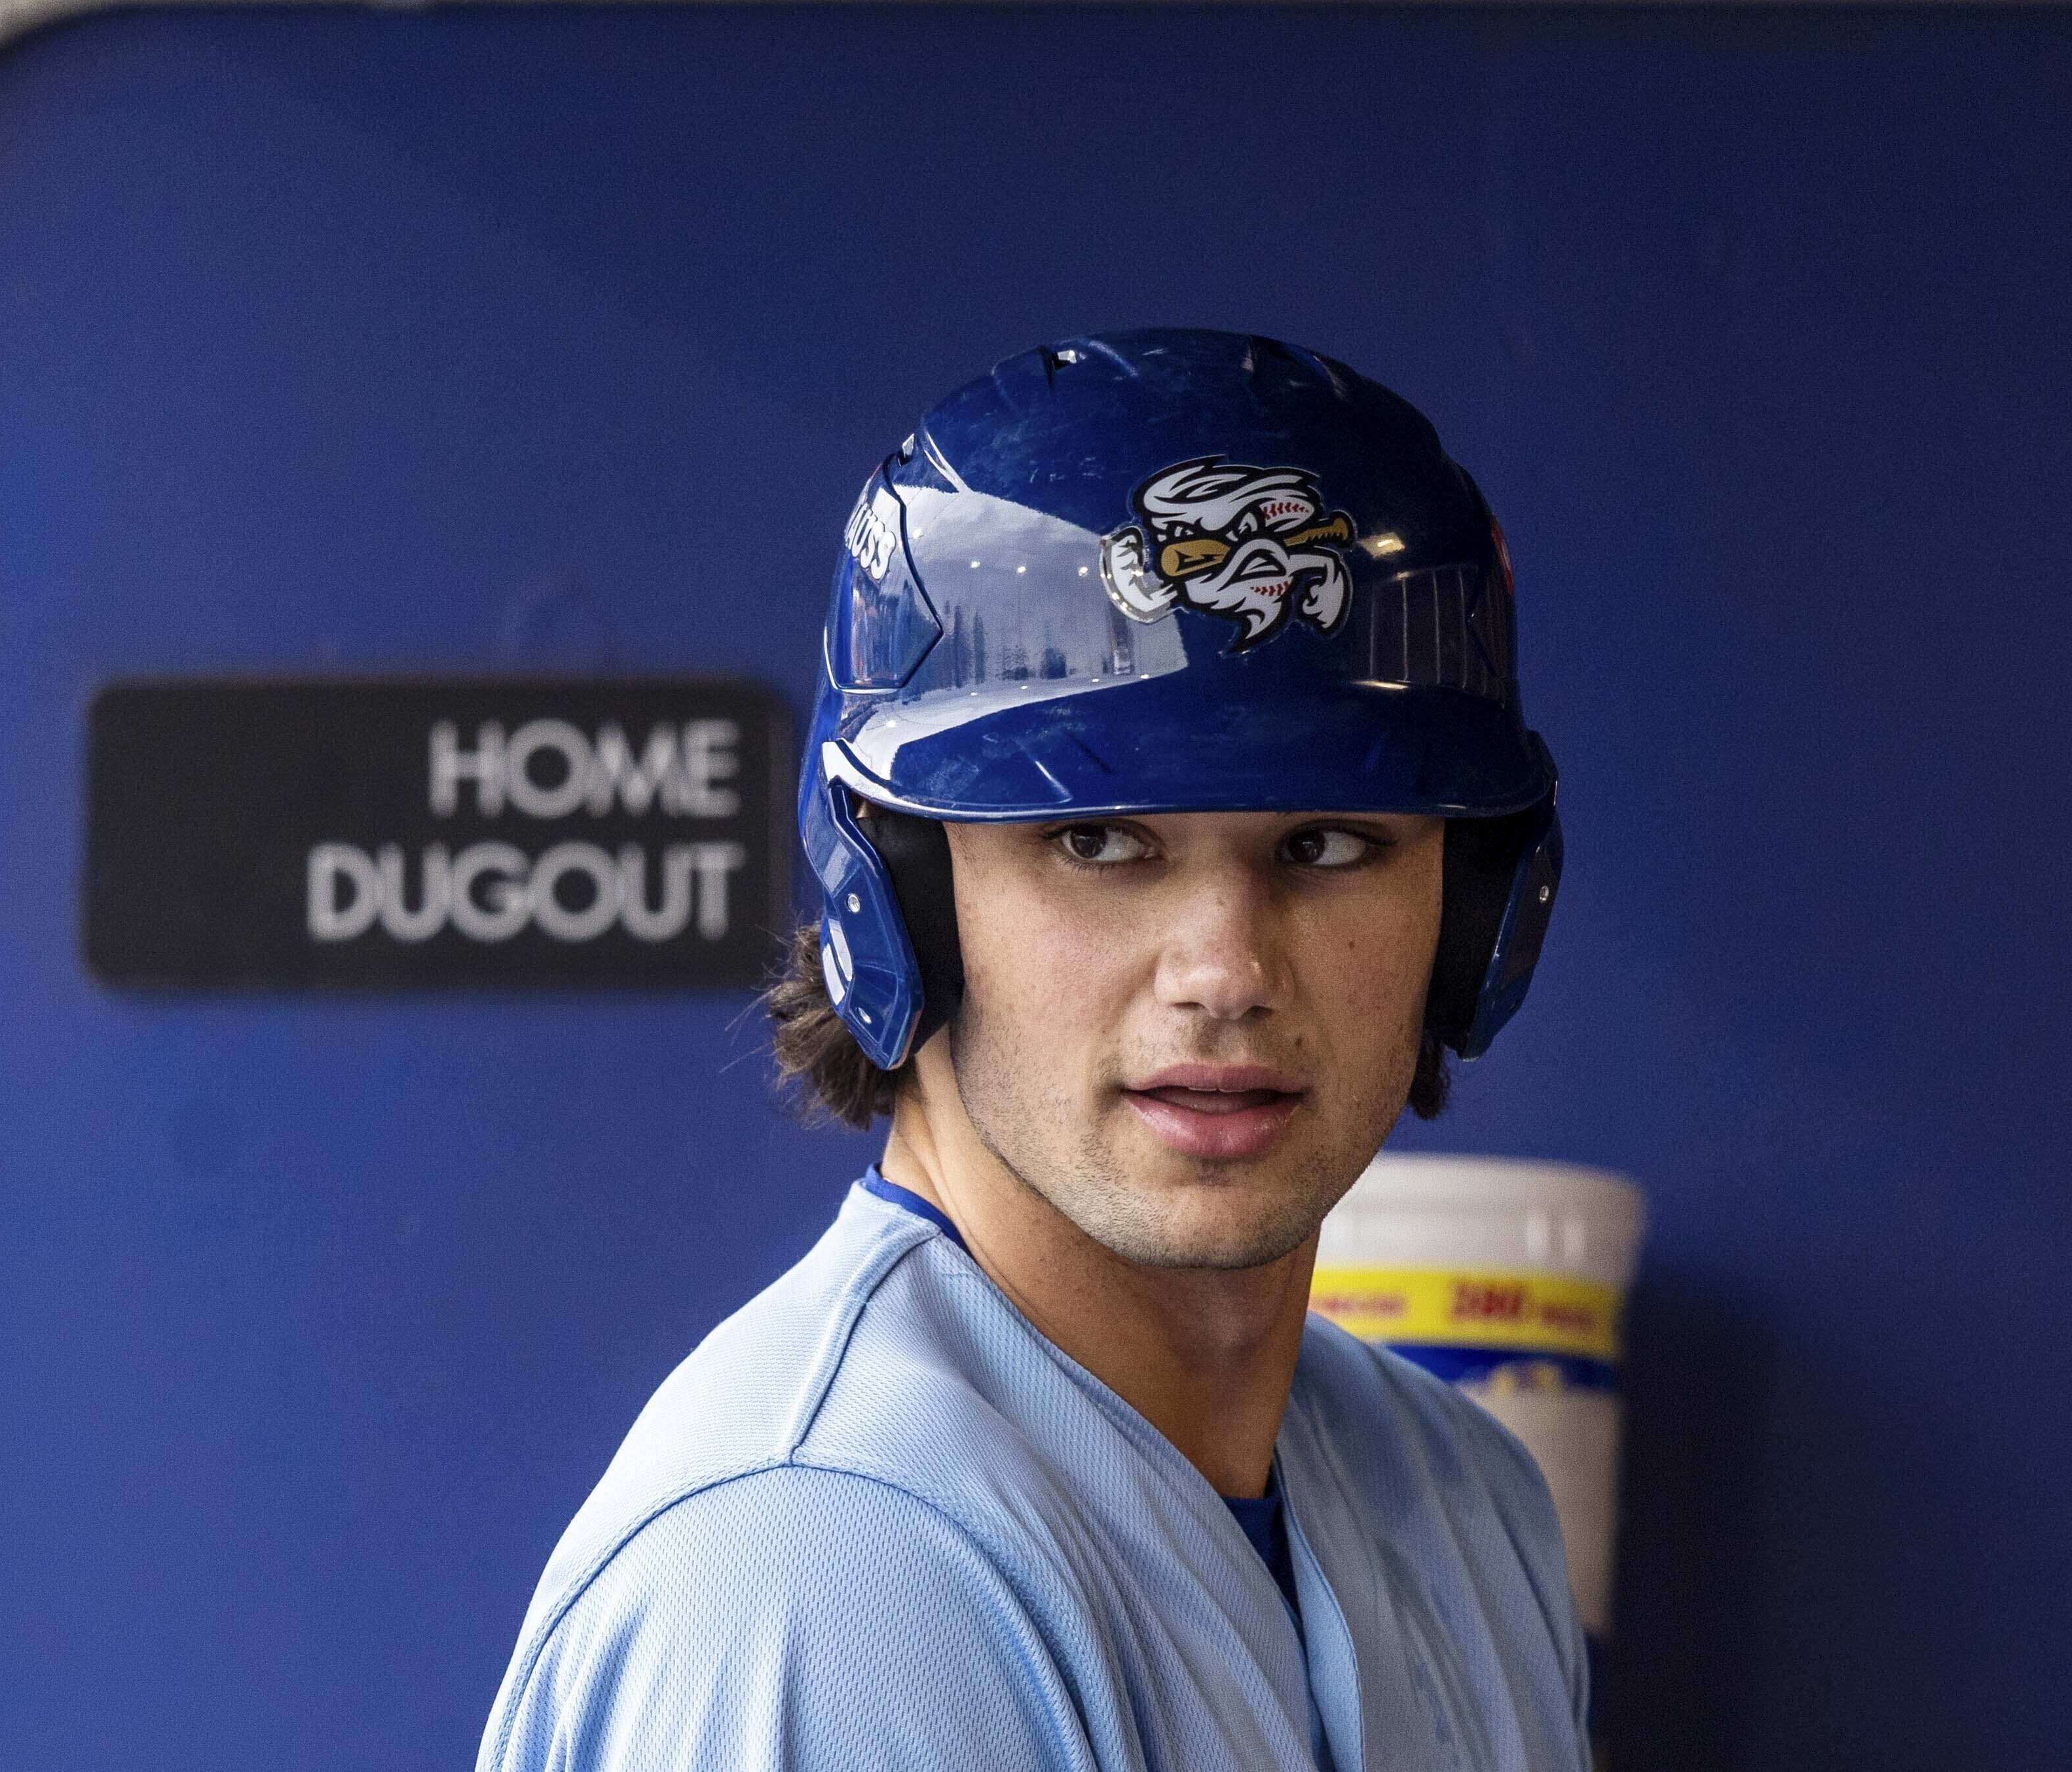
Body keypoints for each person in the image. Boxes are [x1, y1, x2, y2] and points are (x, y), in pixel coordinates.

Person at [476, 329, 1585, 1771]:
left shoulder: (1461, 1501)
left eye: (1326, 842)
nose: (1225, 972)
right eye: (1096, 839)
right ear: (898, 899)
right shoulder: (817, 1580)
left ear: (1473, 906)